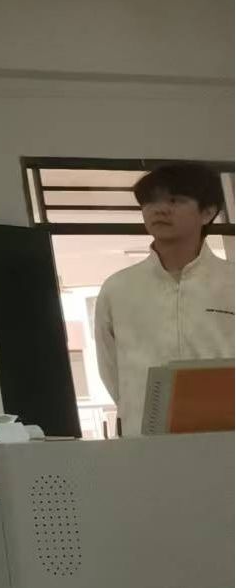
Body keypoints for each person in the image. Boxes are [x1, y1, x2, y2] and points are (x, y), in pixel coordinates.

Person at [95, 162, 234, 436]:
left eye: (174, 200)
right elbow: (111, 371)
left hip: (227, 436)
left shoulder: (231, 281)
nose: (159, 209)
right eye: (150, 201)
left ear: (207, 212)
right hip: (146, 439)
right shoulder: (118, 288)